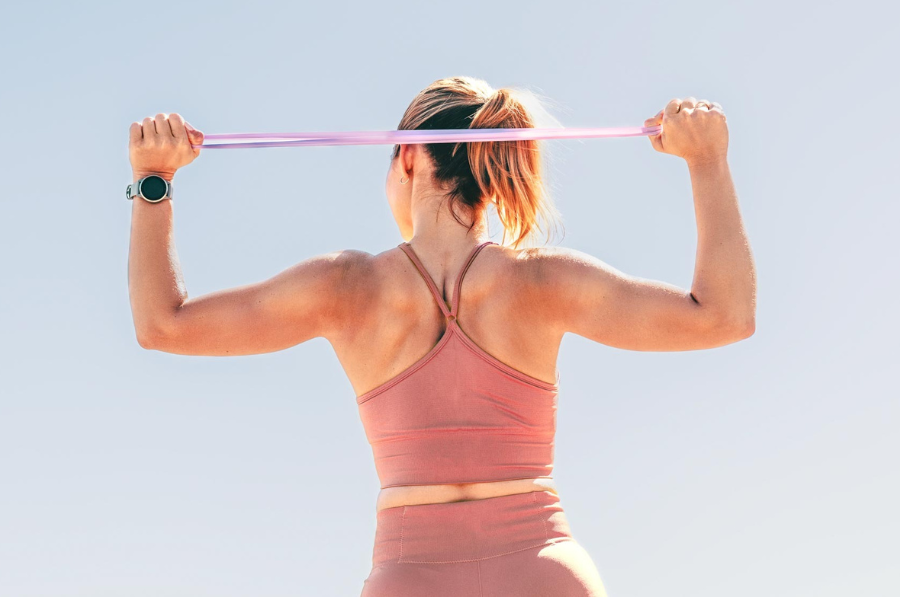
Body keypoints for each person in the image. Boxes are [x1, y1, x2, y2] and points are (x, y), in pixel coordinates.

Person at [126, 76, 756, 596]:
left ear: (407, 155)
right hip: (543, 571)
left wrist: (154, 180)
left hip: (410, 577)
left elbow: (162, 324)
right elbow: (723, 316)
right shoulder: (542, 280)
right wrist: (707, 161)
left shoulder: (344, 287)